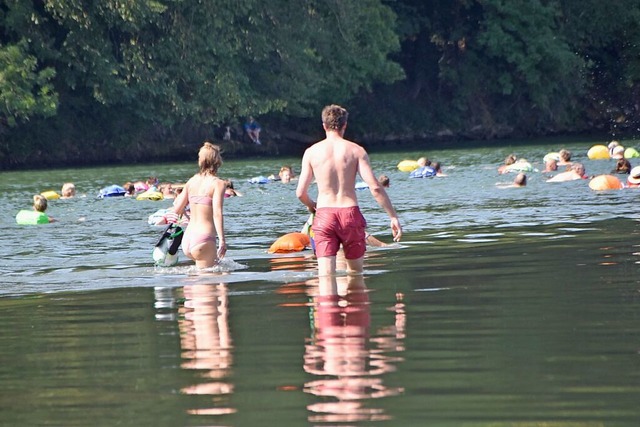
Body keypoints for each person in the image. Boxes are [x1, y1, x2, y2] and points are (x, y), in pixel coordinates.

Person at [296, 104, 402, 277]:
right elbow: (375, 187)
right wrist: (393, 217)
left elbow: (300, 192)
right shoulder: (356, 151)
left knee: (325, 277)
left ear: (324, 126)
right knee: (355, 275)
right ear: (345, 125)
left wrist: (312, 205)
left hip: (324, 215)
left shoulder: (311, 152)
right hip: (349, 214)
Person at [173, 142, 227, 269]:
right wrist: (222, 241)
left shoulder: (192, 181)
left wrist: (188, 215)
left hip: (188, 239)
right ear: (217, 160)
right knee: (211, 281)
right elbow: (217, 213)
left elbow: (177, 209)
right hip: (204, 238)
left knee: (196, 283)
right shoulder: (218, 184)